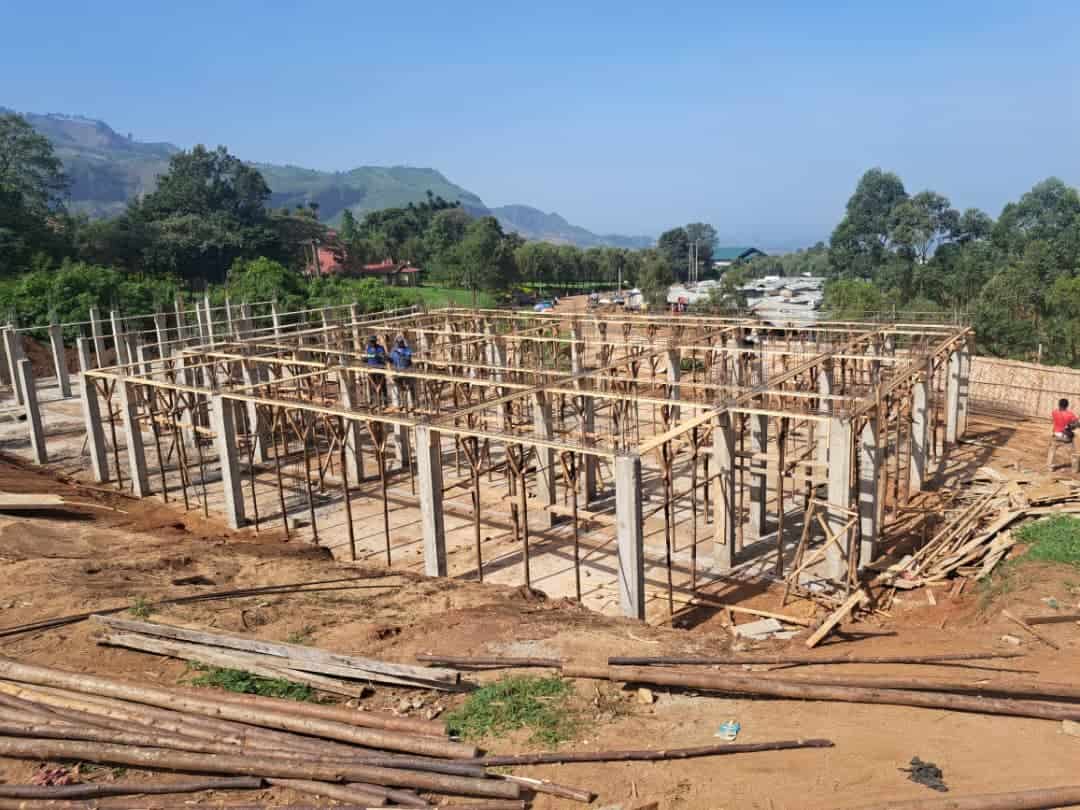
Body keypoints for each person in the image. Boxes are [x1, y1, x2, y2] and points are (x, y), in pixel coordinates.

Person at [1048, 398, 1079, 471]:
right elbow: (1077, 424)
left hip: (1056, 435)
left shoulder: (1054, 412)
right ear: (1067, 405)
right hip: (1066, 437)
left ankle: (1050, 467)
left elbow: (1057, 421)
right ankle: (1075, 469)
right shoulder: (1070, 414)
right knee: (1073, 453)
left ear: (1059, 404)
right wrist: (1071, 427)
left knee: (1052, 451)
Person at [389, 337, 415, 410]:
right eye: (398, 342)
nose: (399, 344)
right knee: (398, 388)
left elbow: (408, 359)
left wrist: (400, 354)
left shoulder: (407, 349)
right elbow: (391, 360)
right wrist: (387, 358)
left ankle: (410, 405)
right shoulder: (393, 351)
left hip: (406, 371)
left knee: (408, 388)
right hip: (397, 372)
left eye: (401, 342)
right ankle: (399, 404)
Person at [364, 336, 388, 406]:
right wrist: (365, 359)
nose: (372, 343)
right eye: (371, 342)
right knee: (373, 387)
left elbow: (383, 357)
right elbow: (367, 358)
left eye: (373, 342)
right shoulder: (368, 348)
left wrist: (381, 357)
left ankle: (385, 403)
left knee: (382, 386)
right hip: (371, 369)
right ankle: (377, 402)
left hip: (380, 369)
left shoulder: (380, 348)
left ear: (375, 341)